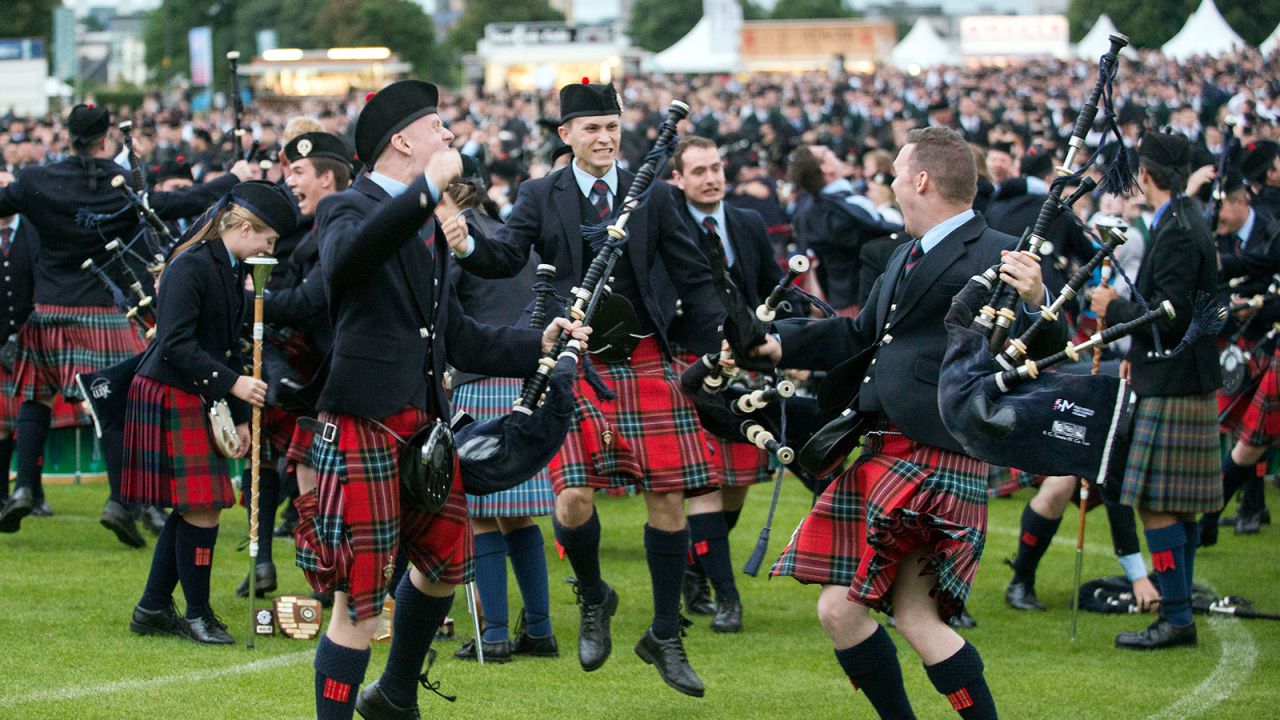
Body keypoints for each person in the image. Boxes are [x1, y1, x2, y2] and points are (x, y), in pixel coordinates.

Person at [290, 80, 582, 720]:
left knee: (449, 565)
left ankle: (394, 693)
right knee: (359, 603)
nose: (449, 136)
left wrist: (540, 343)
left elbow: (460, 337)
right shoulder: (346, 208)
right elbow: (344, 265)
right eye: (437, 128)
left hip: (424, 425)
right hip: (364, 419)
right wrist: (425, 194)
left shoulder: (432, 225)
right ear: (402, 140)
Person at [754, 127, 1061, 719]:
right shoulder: (905, 251)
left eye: (896, 172)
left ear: (921, 179)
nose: (889, 182)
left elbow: (1037, 346)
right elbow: (858, 335)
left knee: (915, 620)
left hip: (936, 448)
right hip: (885, 445)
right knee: (841, 612)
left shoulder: (998, 248)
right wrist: (775, 344)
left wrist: (1035, 300)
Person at [453, 80, 724, 697]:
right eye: (591, 128)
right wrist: (466, 243)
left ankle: (664, 633)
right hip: (571, 357)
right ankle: (594, 596)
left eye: (612, 127)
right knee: (572, 499)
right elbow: (504, 258)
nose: (604, 138)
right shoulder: (539, 194)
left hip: (645, 357)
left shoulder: (653, 193)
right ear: (565, 135)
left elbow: (695, 275)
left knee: (667, 498)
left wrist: (713, 347)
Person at [0, 103, 250, 543]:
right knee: (114, 403)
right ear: (105, 139)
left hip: (49, 308)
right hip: (102, 309)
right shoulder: (120, 190)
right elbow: (178, 203)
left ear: (68, 135)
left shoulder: (35, 182)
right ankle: (119, 501)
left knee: (36, 398)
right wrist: (234, 179)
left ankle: (23, 488)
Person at [123, 180, 294, 643]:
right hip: (170, 389)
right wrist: (233, 383)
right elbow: (174, 342)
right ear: (241, 227)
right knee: (203, 508)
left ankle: (154, 607)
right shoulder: (191, 266)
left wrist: (240, 414)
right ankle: (197, 613)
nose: (270, 249)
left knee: (193, 508)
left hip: (197, 393)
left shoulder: (230, 270)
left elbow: (226, 349)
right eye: (268, 239)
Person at [1092, 131, 1222, 650]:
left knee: (1156, 505)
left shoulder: (1178, 231)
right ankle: (1180, 605)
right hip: (1176, 375)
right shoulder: (1185, 221)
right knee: (1180, 506)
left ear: (1146, 175)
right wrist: (1135, 359)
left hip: (1174, 381)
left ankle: (1175, 616)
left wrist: (1112, 310)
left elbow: (1168, 316)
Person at [669, 135, 785, 633]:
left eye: (716, 168)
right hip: (691, 368)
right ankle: (727, 596)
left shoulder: (747, 222)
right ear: (678, 179)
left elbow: (769, 285)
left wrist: (782, 338)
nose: (712, 177)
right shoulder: (668, 227)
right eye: (699, 171)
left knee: (736, 486)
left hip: (747, 369)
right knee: (706, 485)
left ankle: (696, 569)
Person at [449, 203, 559, 663]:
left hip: (478, 380)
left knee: (479, 514)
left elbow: (444, 318)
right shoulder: (516, 244)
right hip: (528, 381)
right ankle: (540, 629)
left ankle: (493, 633)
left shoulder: (461, 245)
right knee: (519, 516)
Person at [1202, 170, 1280, 543]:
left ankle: (1215, 517)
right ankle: (1210, 519)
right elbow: (1264, 265)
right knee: (1251, 441)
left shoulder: (1268, 223)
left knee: (1252, 442)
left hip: (1267, 335)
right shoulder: (1258, 236)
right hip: (1258, 341)